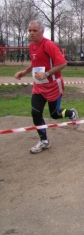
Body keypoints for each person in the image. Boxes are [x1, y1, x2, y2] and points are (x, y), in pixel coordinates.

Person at [14, 20, 79, 154]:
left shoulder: (49, 45)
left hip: (53, 85)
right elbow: (35, 63)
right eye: (30, 31)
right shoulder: (31, 46)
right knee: (35, 112)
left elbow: (62, 63)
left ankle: (71, 113)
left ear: (42, 32)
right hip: (39, 86)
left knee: (54, 114)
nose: (31, 33)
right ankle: (44, 141)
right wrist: (24, 72)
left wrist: (47, 74)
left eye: (34, 31)